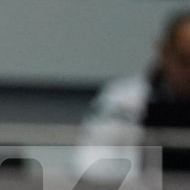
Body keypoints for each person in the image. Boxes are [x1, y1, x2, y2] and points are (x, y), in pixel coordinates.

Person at [76, 9, 190, 175]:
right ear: (164, 52)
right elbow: (89, 164)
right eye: (185, 61)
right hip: (137, 189)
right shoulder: (122, 100)